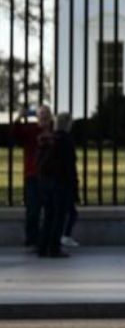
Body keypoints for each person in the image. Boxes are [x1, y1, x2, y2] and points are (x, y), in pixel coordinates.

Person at [36, 113, 76, 259]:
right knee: (59, 217)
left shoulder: (48, 140)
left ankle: (42, 246)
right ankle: (54, 248)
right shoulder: (66, 141)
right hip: (61, 183)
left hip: (45, 182)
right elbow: (69, 167)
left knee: (48, 216)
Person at [19, 105, 52, 248]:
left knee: (50, 210)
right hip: (32, 175)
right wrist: (20, 118)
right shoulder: (31, 131)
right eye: (41, 114)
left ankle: (44, 238)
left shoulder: (53, 132)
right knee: (33, 210)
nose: (43, 117)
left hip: (49, 176)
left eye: (46, 114)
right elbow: (16, 134)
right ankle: (32, 239)